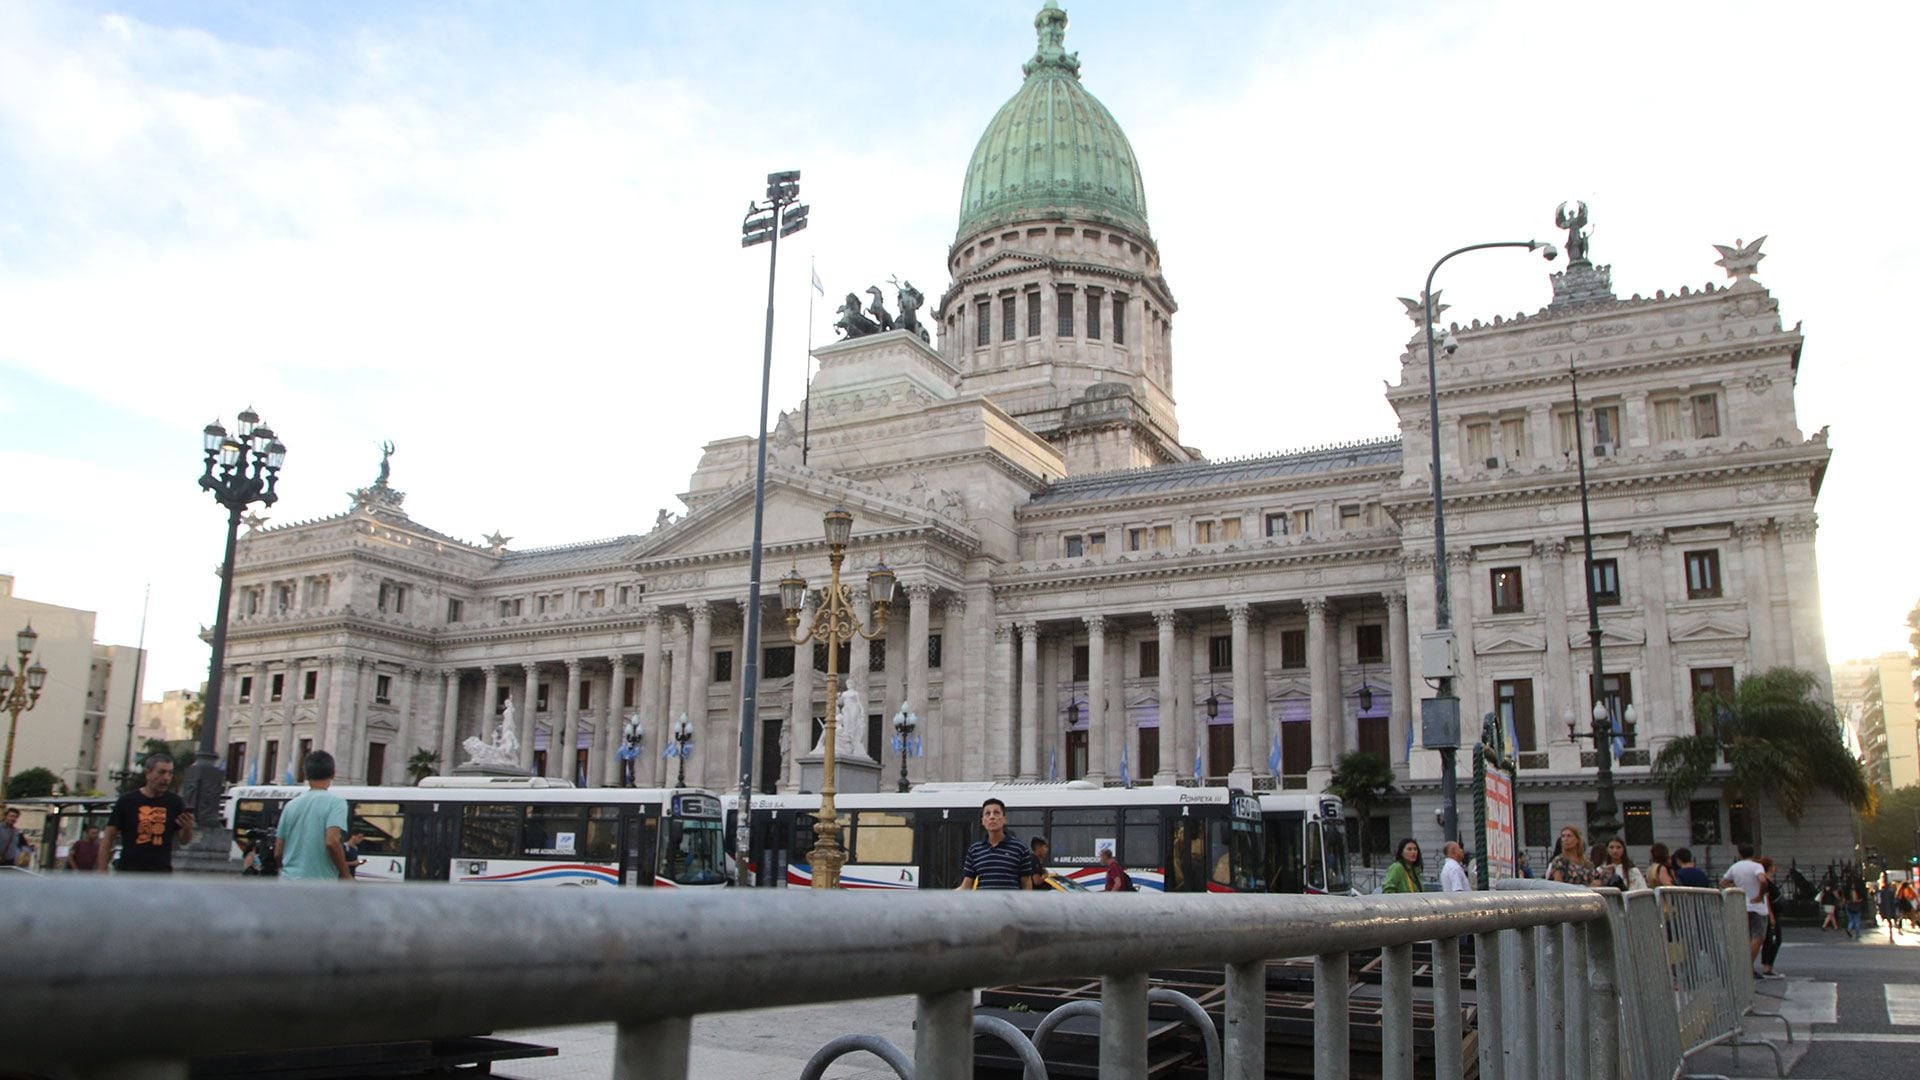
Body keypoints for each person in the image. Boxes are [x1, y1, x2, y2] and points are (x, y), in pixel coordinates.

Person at [100, 753, 194, 873]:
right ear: (148, 773)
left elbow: (184, 840)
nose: (166, 778)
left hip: (160, 873)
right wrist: (102, 870)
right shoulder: (127, 801)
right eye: (161, 772)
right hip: (129, 872)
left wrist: (188, 828)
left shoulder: (175, 802)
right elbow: (108, 837)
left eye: (170, 773)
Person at [274, 750, 354, 882]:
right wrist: (346, 874)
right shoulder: (336, 803)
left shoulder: (290, 805)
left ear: (306, 774)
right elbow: (332, 841)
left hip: (288, 881)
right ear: (333, 773)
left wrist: (286, 869)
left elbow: (278, 851)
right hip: (319, 884)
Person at [956, 798, 1034, 891]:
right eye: (987, 814)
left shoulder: (1020, 848)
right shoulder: (975, 850)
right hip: (984, 904)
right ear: (983, 821)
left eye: (996, 813)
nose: (992, 817)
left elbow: (1027, 885)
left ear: (1004, 819)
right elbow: (966, 885)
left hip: (1009, 905)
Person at [1720, 844, 1770, 972]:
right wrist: (1760, 895)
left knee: (1744, 936)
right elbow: (1763, 880)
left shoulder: (1735, 867)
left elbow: (1723, 882)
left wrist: (1735, 890)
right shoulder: (1757, 866)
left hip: (1742, 905)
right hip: (1757, 906)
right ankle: (1747, 964)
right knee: (1758, 937)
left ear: (1740, 854)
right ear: (1753, 854)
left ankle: (1742, 963)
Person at [1757, 856, 1784, 977]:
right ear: (1769, 868)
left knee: (1771, 939)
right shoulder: (1766, 882)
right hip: (1770, 914)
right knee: (1774, 939)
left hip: (1774, 913)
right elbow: (1766, 899)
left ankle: (1768, 966)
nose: (1774, 868)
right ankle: (1767, 966)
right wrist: (1771, 916)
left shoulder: (1768, 881)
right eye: (1772, 866)